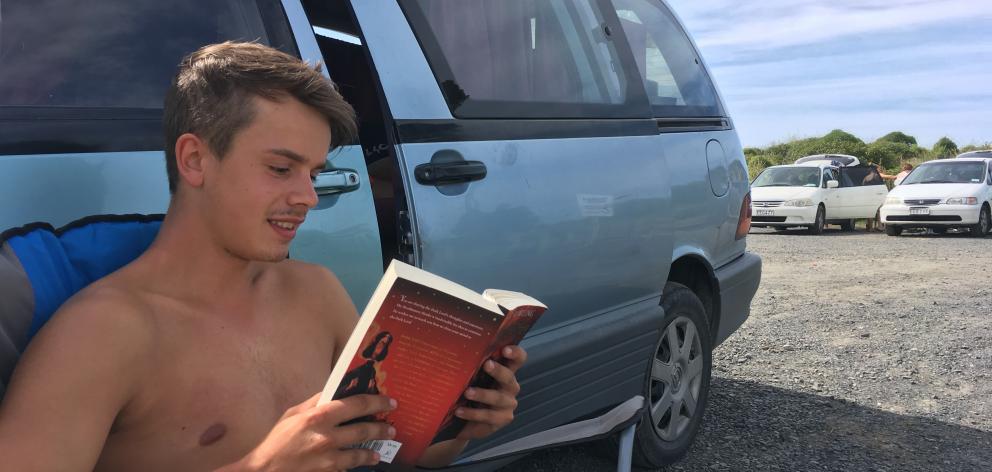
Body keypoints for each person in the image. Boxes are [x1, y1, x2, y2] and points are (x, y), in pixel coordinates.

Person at [0, 42, 526, 471]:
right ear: (195, 159)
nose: (309, 197)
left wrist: (461, 424)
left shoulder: (314, 291)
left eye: (313, 174)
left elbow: (399, 453)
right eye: (281, 169)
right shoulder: (103, 334)